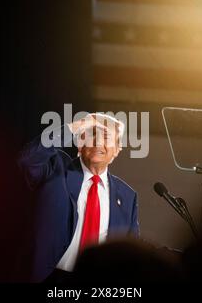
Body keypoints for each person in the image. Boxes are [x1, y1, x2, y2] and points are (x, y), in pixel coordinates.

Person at [17, 113, 139, 282]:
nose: (97, 142)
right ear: (80, 145)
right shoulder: (56, 168)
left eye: (106, 137)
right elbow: (28, 159)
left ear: (117, 150)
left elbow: (129, 253)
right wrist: (76, 125)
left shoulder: (127, 197)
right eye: (91, 135)